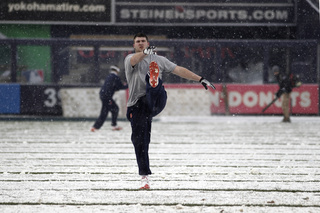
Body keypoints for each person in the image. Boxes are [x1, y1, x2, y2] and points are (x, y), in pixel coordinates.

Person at [124, 32, 215, 189]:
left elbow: (179, 70)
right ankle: (144, 177)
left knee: (154, 84)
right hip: (138, 105)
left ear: (147, 42)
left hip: (157, 99)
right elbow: (134, 59)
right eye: (137, 41)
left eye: (143, 41)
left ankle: (154, 81)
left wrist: (200, 79)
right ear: (134, 45)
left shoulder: (159, 60)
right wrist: (144, 54)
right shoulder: (129, 59)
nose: (140, 43)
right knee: (140, 141)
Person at [91, 65, 128, 132]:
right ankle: (113, 125)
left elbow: (113, 87)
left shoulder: (109, 77)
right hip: (107, 96)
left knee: (105, 111)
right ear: (117, 71)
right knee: (114, 109)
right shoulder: (115, 77)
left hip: (103, 95)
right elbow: (120, 87)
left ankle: (95, 127)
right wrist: (128, 85)